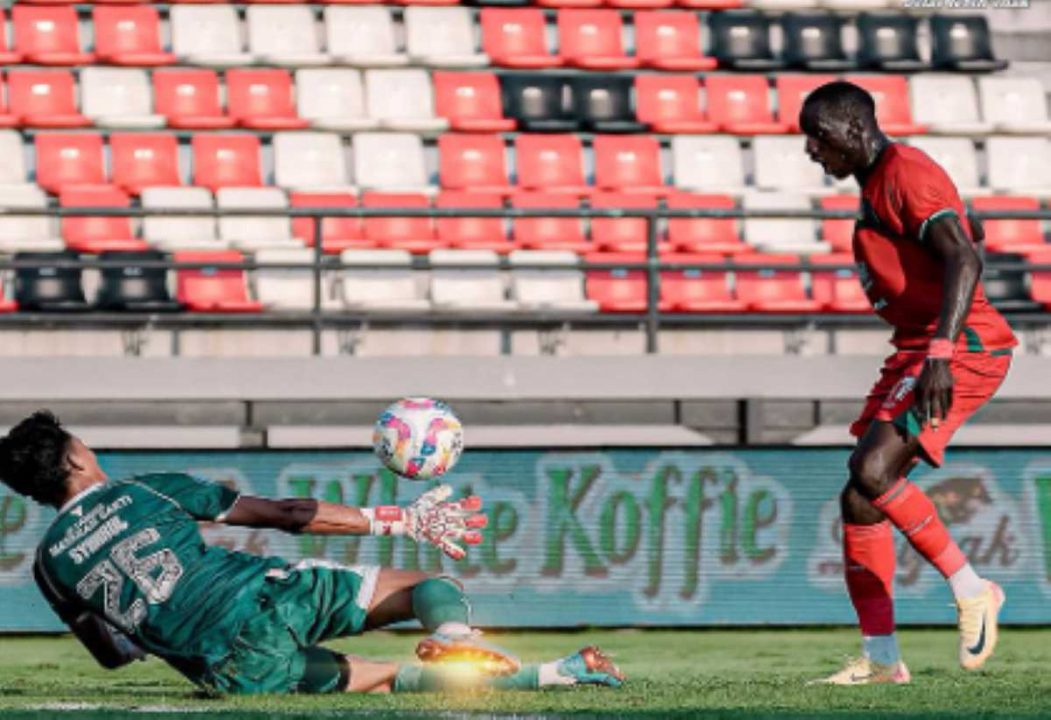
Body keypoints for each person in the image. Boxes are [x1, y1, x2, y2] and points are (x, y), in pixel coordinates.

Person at [0, 410, 624, 695]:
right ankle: (456, 630)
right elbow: (288, 516)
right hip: (265, 595)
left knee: (386, 682)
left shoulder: (50, 566)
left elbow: (110, 658)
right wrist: (404, 517)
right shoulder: (140, 489)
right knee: (428, 588)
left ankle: (558, 674)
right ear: (75, 456)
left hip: (226, 670)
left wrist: (141, 632)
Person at [799, 81, 1016, 685]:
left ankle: (973, 589)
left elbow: (965, 258)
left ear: (851, 129)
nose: (812, 152)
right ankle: (882, 660)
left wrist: (941, 354)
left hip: (959, 347)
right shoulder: (878, 182)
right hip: (919, 347)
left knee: (873, 472)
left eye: (816, 138)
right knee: (860, 497)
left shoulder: (906, 173)